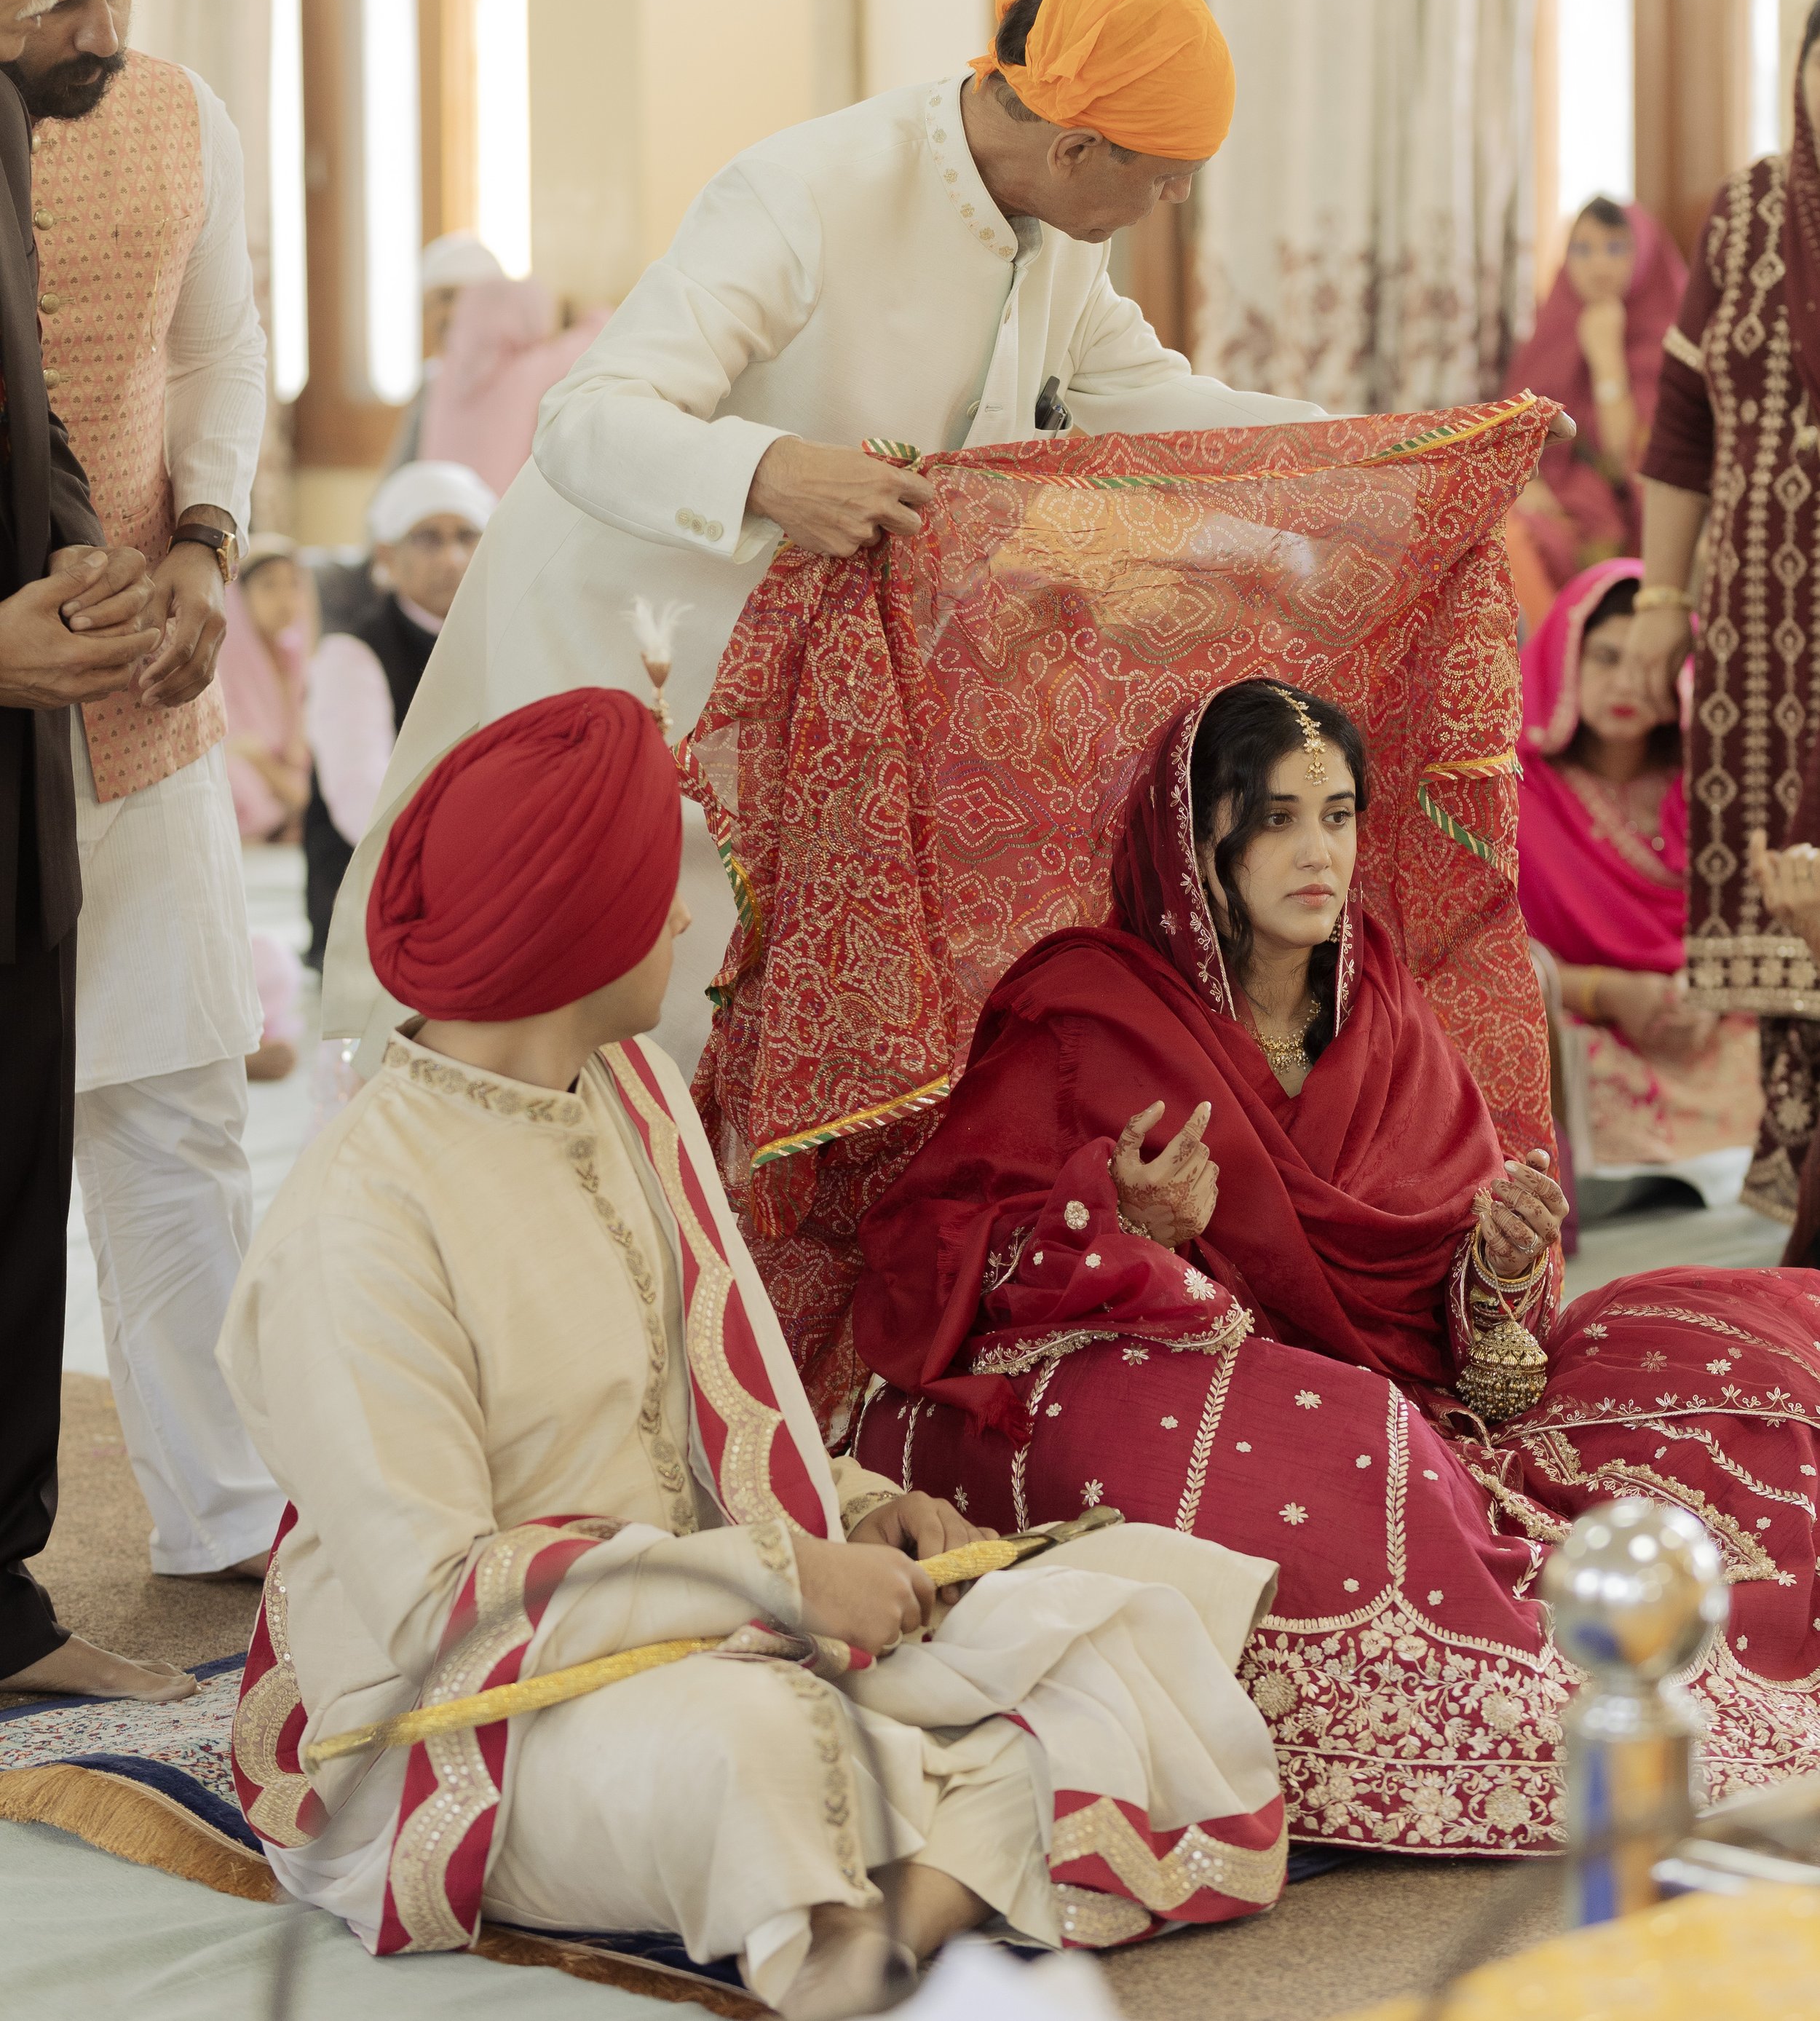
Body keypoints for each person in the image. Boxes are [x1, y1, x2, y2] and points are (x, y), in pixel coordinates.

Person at [219, 689, 1287, 2006]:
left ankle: (906, 1896)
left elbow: (731, 1417)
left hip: (722, 1614)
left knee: (1131, 1597)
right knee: (765, 1741)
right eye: (655, 879)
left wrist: (867, 1514)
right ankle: (879, 1921)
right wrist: (783, 1582)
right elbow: (443, 1601)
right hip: (476, 1711)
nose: (680, 917)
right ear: (576, 917)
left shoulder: (633, 1091)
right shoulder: (359, 1215)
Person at [321, 0, 1326, 1078]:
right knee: (612, 1031)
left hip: (801, 702)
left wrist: (1397, 447)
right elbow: (588, 416)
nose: (1177, 195)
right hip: (623, 655)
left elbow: (1152, 396)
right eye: (1164, 175)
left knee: (754, 1053)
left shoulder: (1059, 238)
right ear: (1076, 147)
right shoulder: (803, 191)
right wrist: (771, 471)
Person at [850, 679, 1820, 1854]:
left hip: (1401, 1406)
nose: (1320, 852)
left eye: (1341, 814)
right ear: (1196, 838)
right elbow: (932, 1249)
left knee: (1739, 1355)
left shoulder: (1382, 1007)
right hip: (1147, 1377)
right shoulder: (1086, 1012)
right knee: (1357, 1435)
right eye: (1276, 818)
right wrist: (1117, 1218)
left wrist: (1495, 1267)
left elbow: (1468, 1331)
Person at [2, 0, 280, 1587]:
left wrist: (203, 547)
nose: (100, 20)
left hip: (142, 681)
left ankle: (230, 1514)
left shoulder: (180, 116)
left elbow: (220, 349)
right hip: (13, 675)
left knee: (175, 1098)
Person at [0, 0, 194, 1701]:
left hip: (21, 745)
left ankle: (4, 1601)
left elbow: (31, 406)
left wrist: (79, 552)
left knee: (14, 1167)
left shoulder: (5, 116)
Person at [1626, 0, 1820, 1251]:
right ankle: (1800, 1155)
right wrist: (1658, 603)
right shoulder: (1746, 213)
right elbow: (1685, 425)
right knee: (1786, 878)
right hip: (1765, 623)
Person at [1516, 561, 1761, 1176]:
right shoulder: (1515, 793)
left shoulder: (1708, 786)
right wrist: (1610, 993)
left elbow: (1752, 924)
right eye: (1605, 657)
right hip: (1588, 1026)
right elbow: (1491, 960)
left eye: (1649, 661)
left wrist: (1708, 994)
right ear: (1560, 658)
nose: (1628, 682)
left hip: (1707, 1020)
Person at [301, 460, 494, 971]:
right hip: (380, 895)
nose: (452, 558)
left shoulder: (504, 642)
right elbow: (359, 802)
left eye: (467, 536)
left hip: (489, 884)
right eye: (428, 538)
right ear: (388, 554)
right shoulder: (353, 652)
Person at [1501, 197, 1685, 615]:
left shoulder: (1668, 342)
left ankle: (1550, 664)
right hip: (1546, 500)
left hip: (1616, 513)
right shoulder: (1553, 326)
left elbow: (1629, 462)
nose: (1599, 265)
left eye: (1616, 248)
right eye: (1582, 250)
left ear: (1643, 257)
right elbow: (1510, 431)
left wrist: (1606, 359)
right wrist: (1525, 485)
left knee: (1518, 544)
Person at [416, 269, 608, 497]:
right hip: (498, 511)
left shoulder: (443, 373)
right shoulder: (534, 369)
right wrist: (580, 311)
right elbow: (607, 333)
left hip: (440, 508)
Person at [384, 230, 507, 471]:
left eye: (453, 298)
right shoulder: (433, 379)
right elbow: (399, 476)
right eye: (434, 303)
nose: (445, 314)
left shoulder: (527, 375)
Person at [217, 539, 313, 843]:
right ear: (241, 597)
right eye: (269, 586)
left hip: (286, 772)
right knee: (235, 781)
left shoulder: (296, 656)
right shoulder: (223, 658)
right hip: (246, 768)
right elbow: (231, 743)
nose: (285, 599)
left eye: (293, 585)